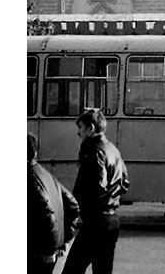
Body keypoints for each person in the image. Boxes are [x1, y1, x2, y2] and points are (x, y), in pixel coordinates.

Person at [62, 109, 130, 274]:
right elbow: (125, 183)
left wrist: (79, 206)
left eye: (81, 128)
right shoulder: (112, 149)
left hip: (95, 222)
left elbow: (96, 185)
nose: (79, 132)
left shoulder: (94, 151)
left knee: (72, 269)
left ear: (91, 128)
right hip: (111, 221)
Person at [28, 133, 79, 274]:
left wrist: (48, 249)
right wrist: (65, 240)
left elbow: (46, 214)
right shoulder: (45, 174)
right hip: (49, 250)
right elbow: (72, 205)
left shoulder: (29, 178)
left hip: (37, 251)